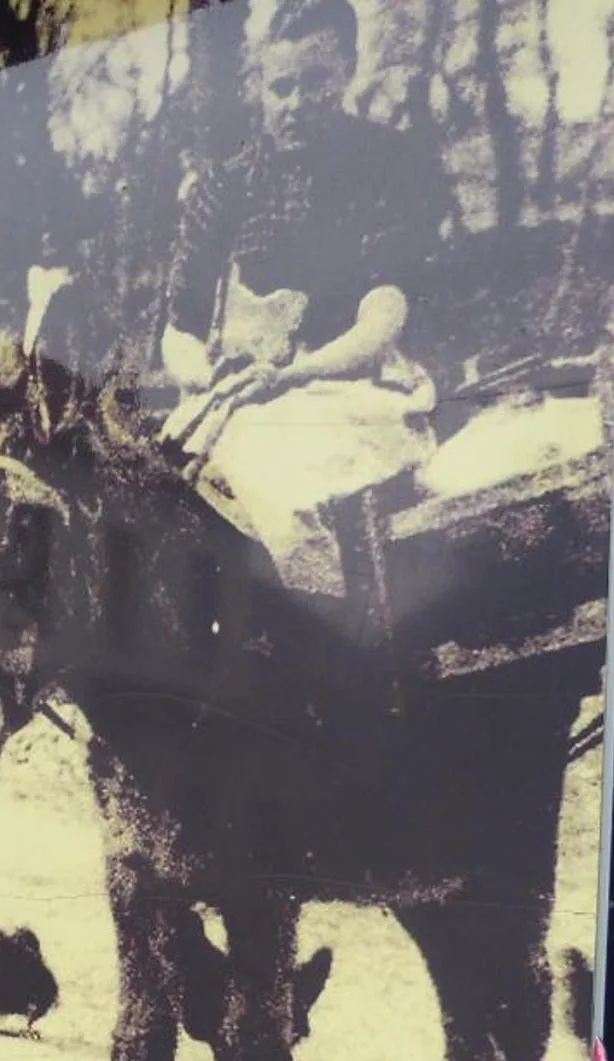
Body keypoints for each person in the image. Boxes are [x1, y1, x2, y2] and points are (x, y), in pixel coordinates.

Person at [157, 0, 454, 617]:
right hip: (240, 394)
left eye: (315, 84)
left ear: (346, 71)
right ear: (261, 86)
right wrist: (202, 374)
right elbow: (179, 330)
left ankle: (326, 636)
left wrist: (290, 376)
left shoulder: (389, 165)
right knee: (176, 481)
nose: (295, 104)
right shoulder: (226, 185)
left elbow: (382, 322)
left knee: (281, 475)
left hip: (355, 387)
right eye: (282, 87)